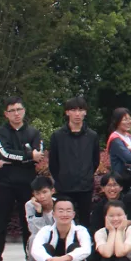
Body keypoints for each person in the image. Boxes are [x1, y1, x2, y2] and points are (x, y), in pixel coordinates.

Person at [0, 96, 44, 261]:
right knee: (1, 223)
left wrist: (17, 158)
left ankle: (30, 259)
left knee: (28, 223)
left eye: (19, 109)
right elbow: (4, 153)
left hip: (27, 184)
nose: (16, 113)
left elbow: (39, 155)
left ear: (24, 111)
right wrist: (28, 156)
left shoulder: (34, 132)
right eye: (12, 110)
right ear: (6, 114)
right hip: (5, 183)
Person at [48, 96, 100, 230]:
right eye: (73, 110)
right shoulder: (57, 136)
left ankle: (84, 250)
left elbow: (95, 161)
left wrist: (86, 175)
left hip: (85, 187)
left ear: (85, 112)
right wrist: (61, 179)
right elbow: (53, 162)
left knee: (84, 222)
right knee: (64, 222)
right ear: (67, 112)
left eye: (81, 110)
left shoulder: (92, 136)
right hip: (64, 187)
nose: (77, 114)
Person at [29, 196, 92, 261]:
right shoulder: (46, 231)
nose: (64, 214)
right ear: (53, 214)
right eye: (61, 211)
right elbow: (35, 250)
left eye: (68, 211)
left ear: (73, 214)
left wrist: (63, 259)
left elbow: (86, 249)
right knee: (45, 248)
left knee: (75, 248)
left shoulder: (80, 230)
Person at [23, 176, 56, 261]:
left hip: (58, 236)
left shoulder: (60, 204)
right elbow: (34, 230)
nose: (41, 196)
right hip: (41, 237)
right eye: (37, 193)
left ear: (52, 191)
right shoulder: (30, 206)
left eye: (45, 192)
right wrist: (38, 212)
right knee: (33, 238)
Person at [106, 108, 131, 191]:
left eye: (130, 119)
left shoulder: (129, 136)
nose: (129, 122)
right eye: (125, 119)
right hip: (123, 180)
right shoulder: (115, 139)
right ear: (117, 121)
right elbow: (128, 158)